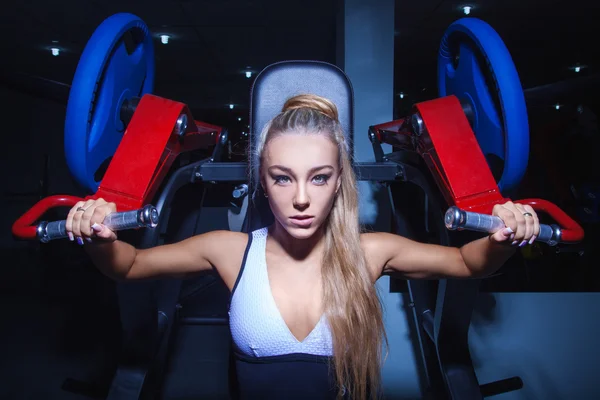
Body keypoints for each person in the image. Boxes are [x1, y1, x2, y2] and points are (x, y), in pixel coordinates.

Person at [65, 94, 539, 400]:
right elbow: (127, 266)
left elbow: (466, 262)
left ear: (339, 183)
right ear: (262, 182)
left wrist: (504, 235)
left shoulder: (369, 251)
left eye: (319, 177)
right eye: (282, 177)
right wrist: (96, 233)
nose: (300, 198)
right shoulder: (229, 251)